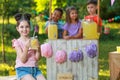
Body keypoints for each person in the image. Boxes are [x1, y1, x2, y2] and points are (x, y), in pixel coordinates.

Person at [12, 13, 46, 80]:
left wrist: (38, 48)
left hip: (35, 70)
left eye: (27, 26)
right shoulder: (17, 42)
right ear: (17, 28)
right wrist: (26, 47)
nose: (24, 29)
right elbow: (23, 60)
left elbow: (37, 58)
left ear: (30, 27)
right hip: (22, 70)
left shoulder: (33, 41)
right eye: (21, 27)